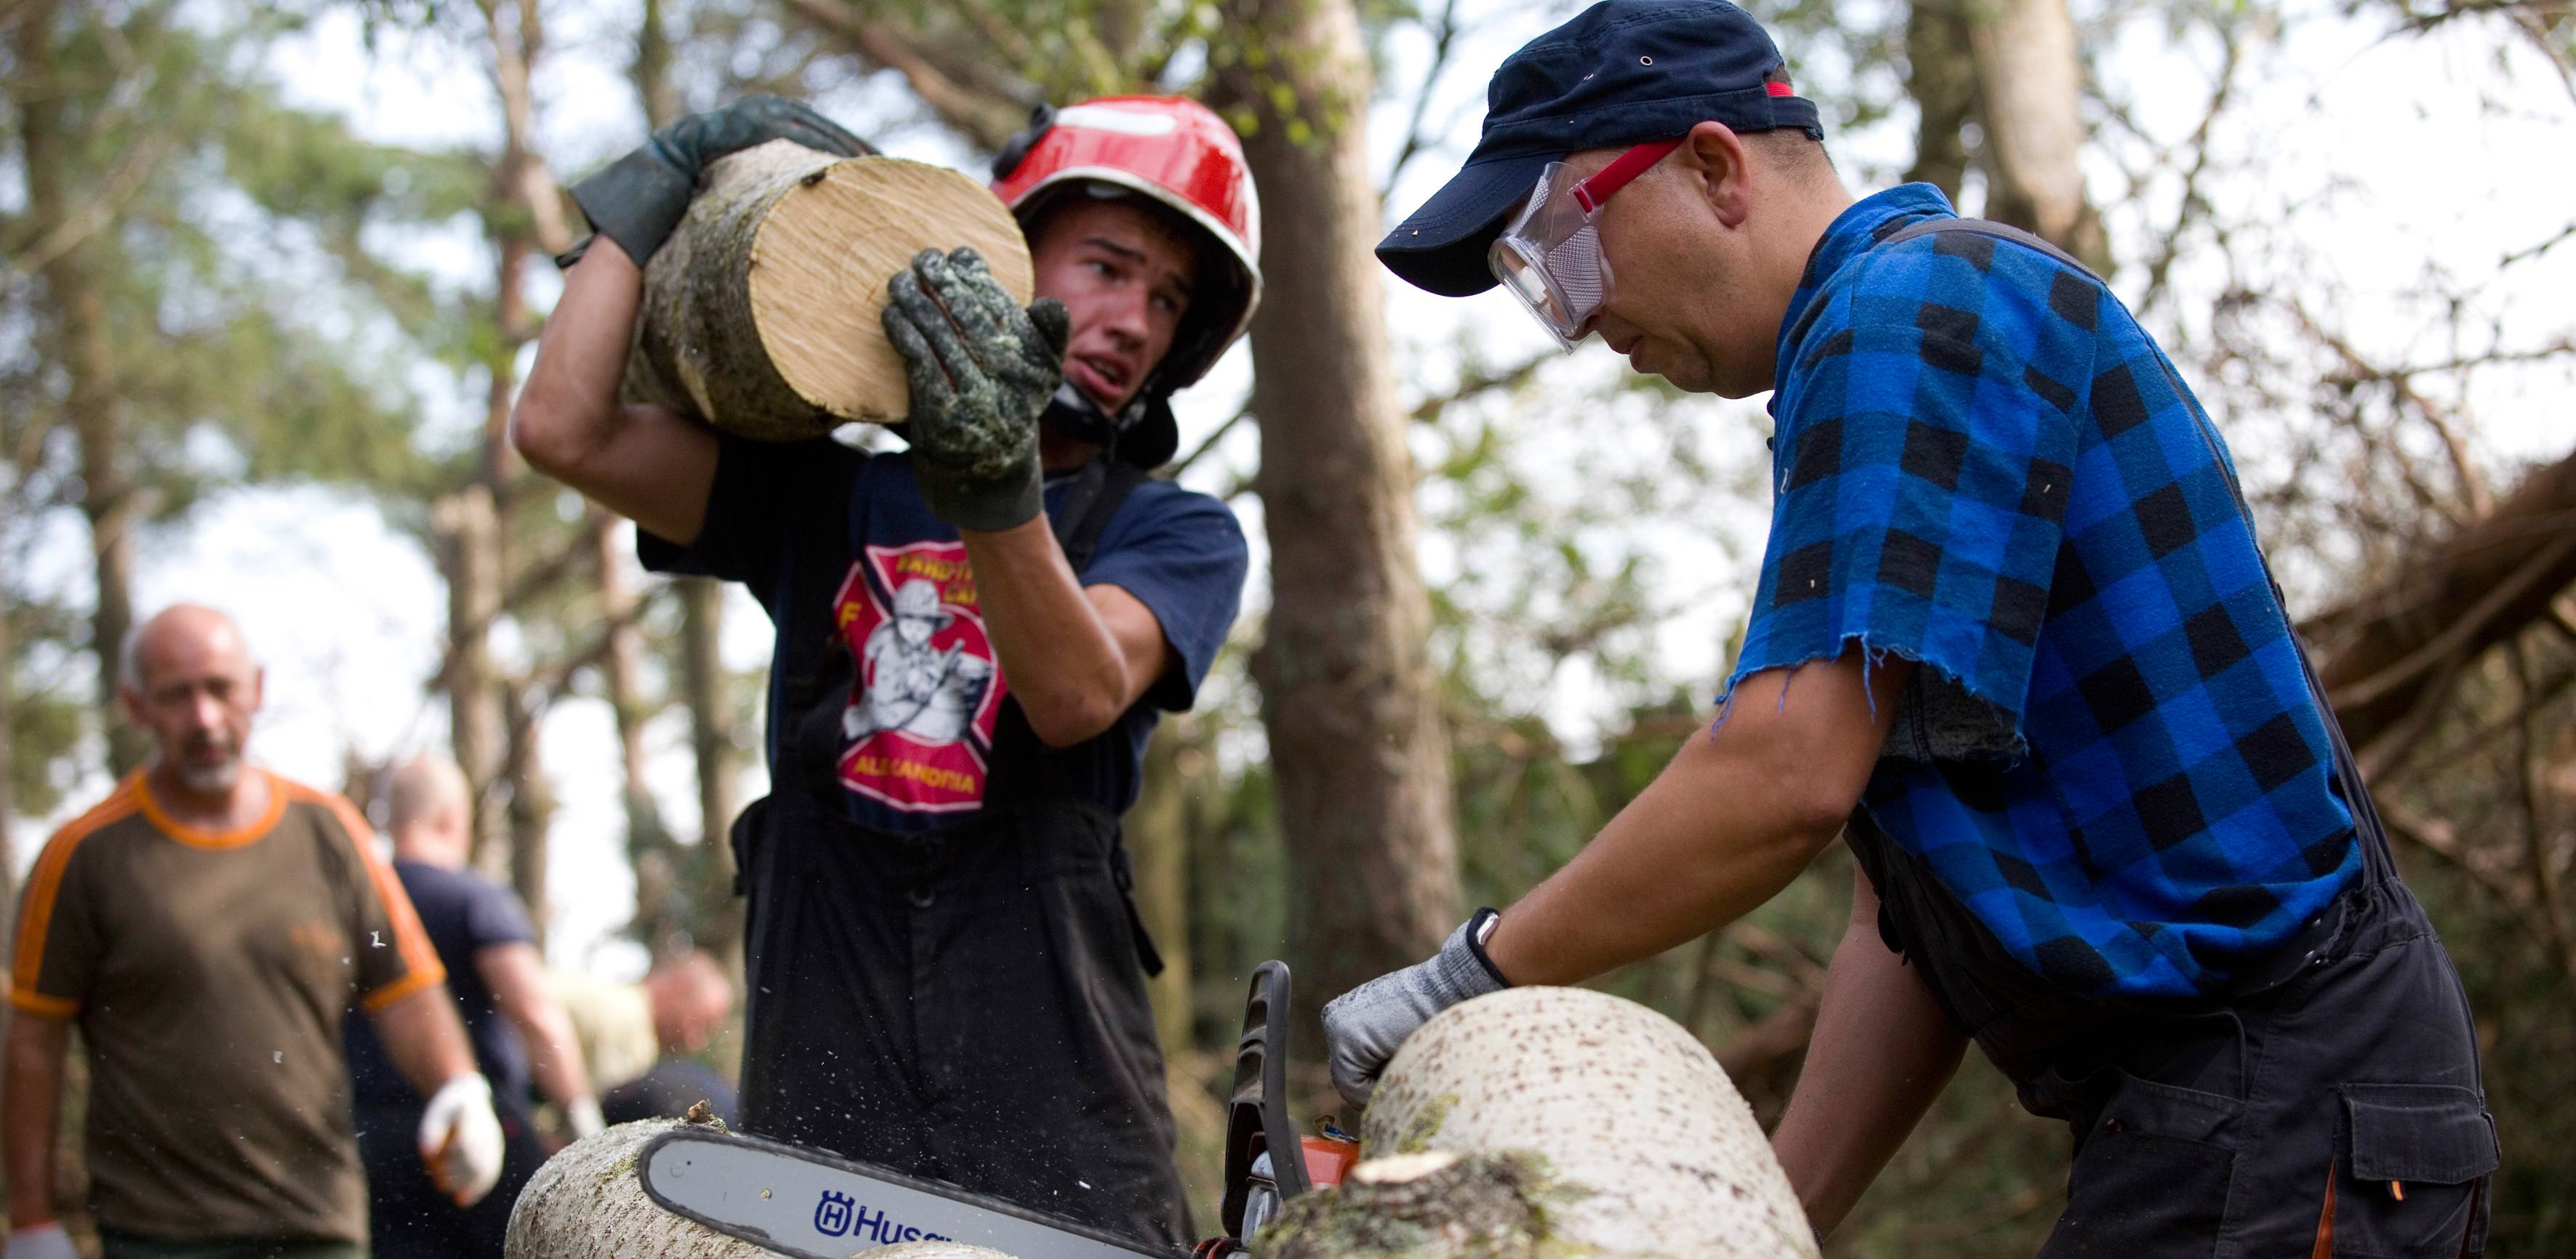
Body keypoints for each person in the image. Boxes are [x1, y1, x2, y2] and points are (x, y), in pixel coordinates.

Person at [1326, 4, 2497, 1256]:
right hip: (2225, 1100)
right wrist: (1763, 1222)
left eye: (1558, 250)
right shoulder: (1899, 340)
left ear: (1713, 167)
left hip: (2279, 1081)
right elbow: (1904, 927)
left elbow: (1782, 773)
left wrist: (1475, 973)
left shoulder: (1908, 309)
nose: (1576, 320)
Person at [510, 93, 1258, 1246]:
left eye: (1165, 302)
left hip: (1053, 1092)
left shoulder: (1175, 532)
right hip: (825, 1055)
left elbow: (1070, 695)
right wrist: (641, 201)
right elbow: (565, 426)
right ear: (996, 245)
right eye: (1107, 268)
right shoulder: (828, 491)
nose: (1132, 322)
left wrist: (993, 478)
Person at [5, 606, 507, 1259]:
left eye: (221, 689)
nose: (205, 718)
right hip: (157, 1236)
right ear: (135, 706)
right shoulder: (84, 856)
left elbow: (403, 986)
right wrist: (32, 1221)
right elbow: (33, 1045)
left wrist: (459, 1087)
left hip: (317, 1225)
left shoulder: (330, 832)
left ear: (257, 690)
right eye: (177, 696)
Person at [342, 755, 602, 1259]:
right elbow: (534, 1014)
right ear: (451, 818)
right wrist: (579, 1116)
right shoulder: (472, 898)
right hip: (477, 1133)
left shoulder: (356, 908)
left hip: (368, 1137)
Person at [598, 952, 739, 1127]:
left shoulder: (623, 1012)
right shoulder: (627, 1022)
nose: (694, 1043)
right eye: (698, 1024)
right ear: (677, 990)